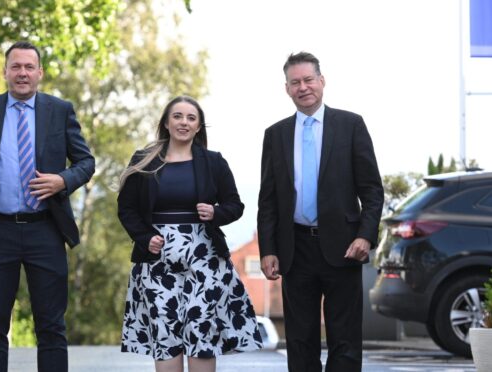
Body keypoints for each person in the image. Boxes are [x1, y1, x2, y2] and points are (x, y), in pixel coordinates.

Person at [0, 41, 95, 372]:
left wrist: (63, 180)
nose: (22, 73)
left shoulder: (60, 110)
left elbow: (86, 162)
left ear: (39, 72)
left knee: (51, 328)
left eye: (29, 67)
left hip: (46, 229)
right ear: (5, 72)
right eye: (16, 66)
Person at [257, 52, 384, 371]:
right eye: (295, 82)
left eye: (308, 79)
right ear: (286, 88)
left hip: (344, 247)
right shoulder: (275, 135)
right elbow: (268, 199)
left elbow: (371, 189)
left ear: (322, 81)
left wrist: (365, 237)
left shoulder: (351, 125)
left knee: (345, 342)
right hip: (295, 249)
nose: (303, 87)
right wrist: (268, 250)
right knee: (300, 342)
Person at [117, 96, 263, 372]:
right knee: (166, 335)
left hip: (205, 259)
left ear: (198, 127)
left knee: (201, 332)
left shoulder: (213, 162)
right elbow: (126, 209)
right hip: (157, 259)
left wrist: (215, 213)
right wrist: (145, 237)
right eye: (178, 116)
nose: (184, 122)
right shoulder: (144, 160)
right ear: (166, 122)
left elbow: (235, 205)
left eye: (191, 118)